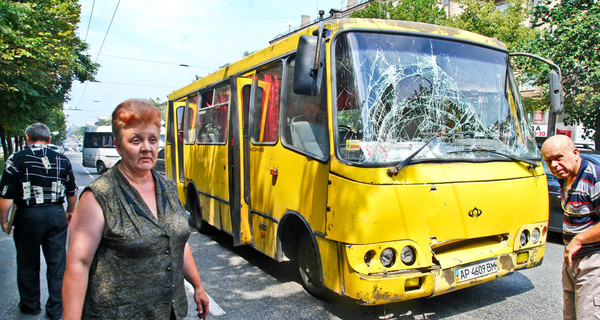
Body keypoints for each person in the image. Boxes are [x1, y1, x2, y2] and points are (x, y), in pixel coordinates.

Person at [62, 99, 210, 319]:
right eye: (135, 140)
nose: (146, 148)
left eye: (152, 139)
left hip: (167, 311)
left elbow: (177, 241)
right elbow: (78, 264)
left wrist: (197, 285)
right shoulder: (99, 195)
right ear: (118, 145)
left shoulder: (168, 187)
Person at [0, 123, 77, 320]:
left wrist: (5, 221)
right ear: (49, 139)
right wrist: (69, 211)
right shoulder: (62, 159)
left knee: (27, 262)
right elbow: (72, 192)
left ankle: (30, 305)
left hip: (28, 216)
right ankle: (56, 309)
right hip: (55, 214)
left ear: (27, 138)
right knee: (57, 263)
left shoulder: (15, 159)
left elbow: (6, 197)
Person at [541, 134, 600, 320]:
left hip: (593, 260)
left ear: (575, 153)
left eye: (559, 158)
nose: (554, 165)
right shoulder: (565, 178)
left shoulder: (593, 178)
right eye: (549, 161)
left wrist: (579, 239)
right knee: (571, 313)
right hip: (573, 259)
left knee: (588, 314)